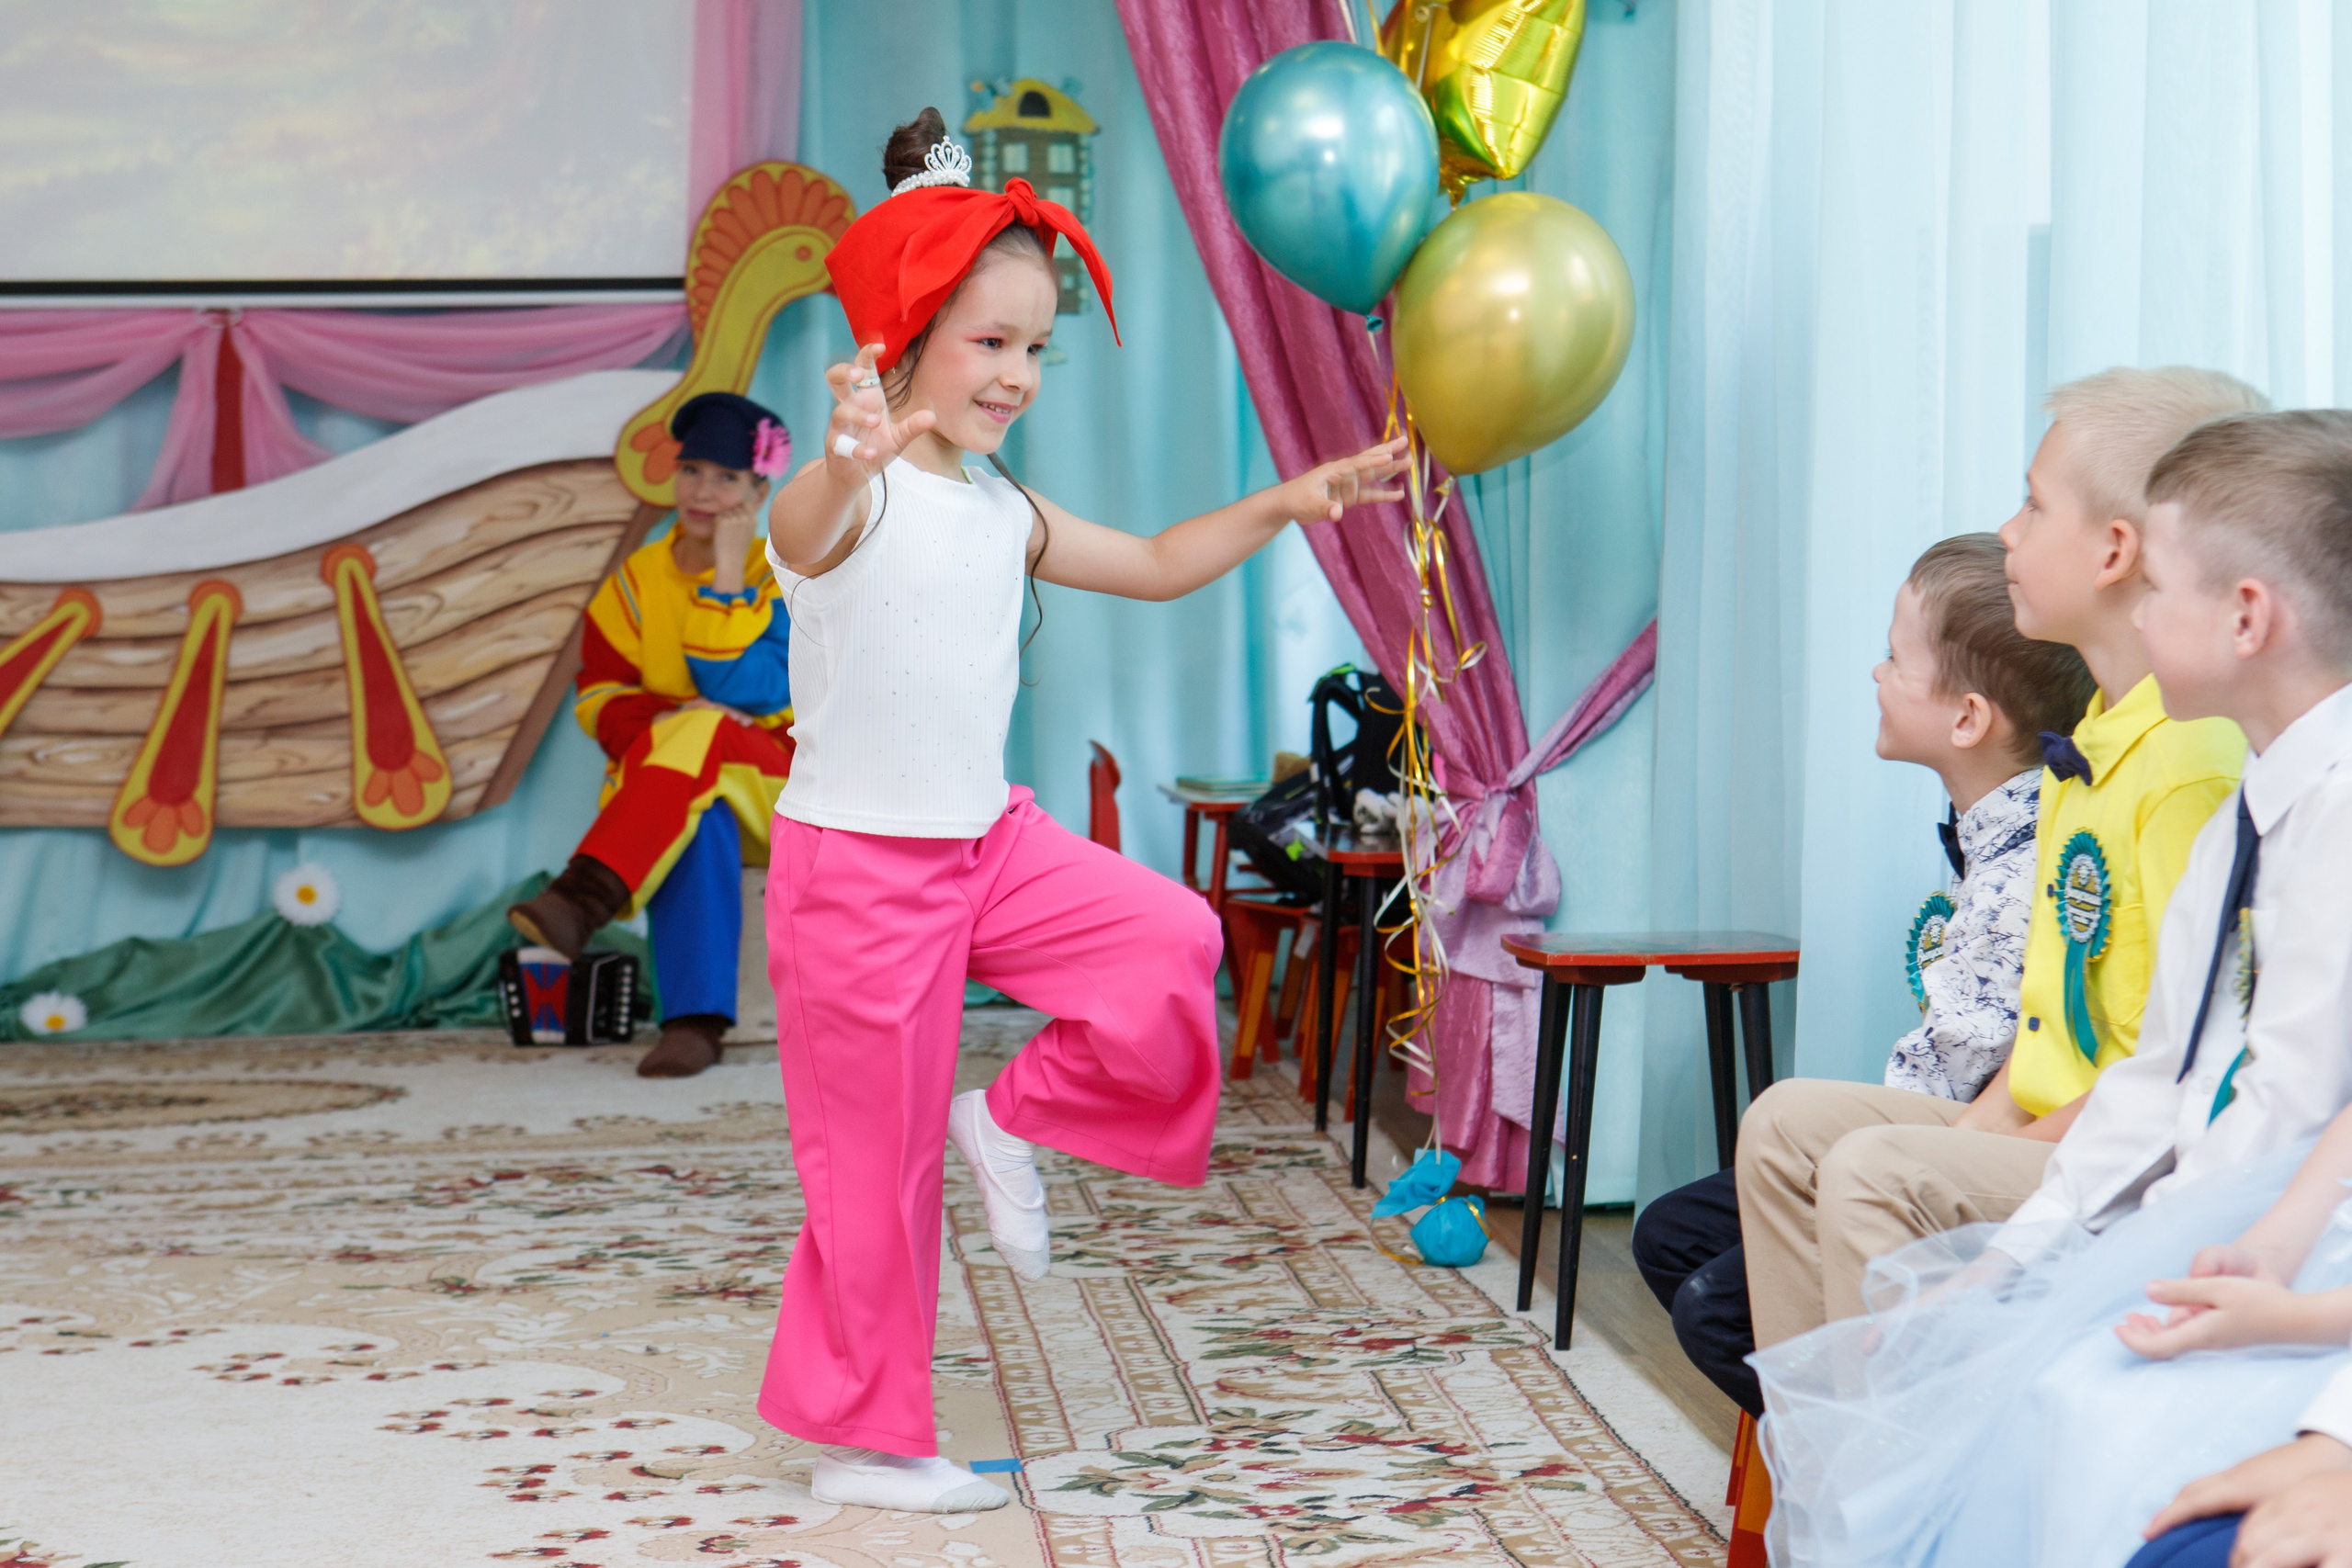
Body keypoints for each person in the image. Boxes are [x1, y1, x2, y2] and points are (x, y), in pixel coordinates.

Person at [752, 108, 1408, 1516]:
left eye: (1037, 347)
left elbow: (1166, 561)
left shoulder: (1002, 507)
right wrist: (841, 461)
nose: (1019, 373)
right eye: (991, 341)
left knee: (1170, 939)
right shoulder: (854, 502)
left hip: (986, 844)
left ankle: (1016, 1115)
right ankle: (871, 1443)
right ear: (911, 330)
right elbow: (801, 532)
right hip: (858, 868)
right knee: (872, 1176)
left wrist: (1292, 499)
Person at [1754, 408, 2352, 1567]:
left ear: (2245, 618)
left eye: (2158, 586)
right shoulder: (2256, 802)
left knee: (2063, 1428)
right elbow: (2156, 1079)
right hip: (2225, 1229)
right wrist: (2003, 1267)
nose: (2133, 614)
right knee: (2012, 1414)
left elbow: (2278, 1104)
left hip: (2292, 1249)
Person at [1736, 367, 2260, 1356]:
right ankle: (1823, 1460)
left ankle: (1900, 1485)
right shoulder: (2087, 745)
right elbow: (2046, 1026)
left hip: (2132, 1157)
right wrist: (1974, 1139)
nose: (2009, 533)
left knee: (1873, 1173)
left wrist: (1991, 1158)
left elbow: (2166, 1069)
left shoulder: (2188, 764)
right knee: (1785, 1122)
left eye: (2030, 503)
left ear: (2113, 551)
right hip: (2053, 1123)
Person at [1631, 533, 2092, 1415]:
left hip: (1971, 1153)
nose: (1875, 673)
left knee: (1714, 1306)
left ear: (1966, 719)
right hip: (1940, 1133)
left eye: (1894, 657)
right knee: (1671, 1234)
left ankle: (1870, 1455)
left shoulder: (2030, 865)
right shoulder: (1988, 836)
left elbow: (1982, 1069)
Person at [506, 391, 797, 1078]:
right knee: (698, 814)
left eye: (727, 477)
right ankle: (694, 1024)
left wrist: (728, 572)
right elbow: (598, 698)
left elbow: (759, 692)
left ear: (760, 489)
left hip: (782, 785)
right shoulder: (633, 583)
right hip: (685, 785)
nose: (703, 491)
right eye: (692, 470)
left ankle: (584, 894)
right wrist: (670, 718)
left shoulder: (786, 573)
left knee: (703, 734)